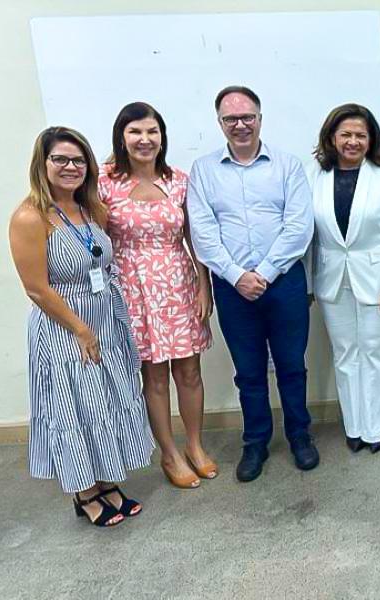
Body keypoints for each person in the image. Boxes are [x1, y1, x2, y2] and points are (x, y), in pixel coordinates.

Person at [9, 126, 153, 526]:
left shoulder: (91, 209)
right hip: (64, 328)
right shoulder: (30, 217)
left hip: (104, 320)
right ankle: (84, 492)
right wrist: (80, 328)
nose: (70, 167)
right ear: (42, 164)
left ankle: (107, 481)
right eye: (60, 159)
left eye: (78, 160)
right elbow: (36, 288)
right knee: (73, 407)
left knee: (103, 401)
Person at [187, 86, 318, 482]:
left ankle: (300, 435)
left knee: (292, 366)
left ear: (260, 119)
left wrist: (265, 271)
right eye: (231, 119)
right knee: (248, 371)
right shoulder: (204, 171)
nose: (240, 124)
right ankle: (256, 441)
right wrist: (237, 276)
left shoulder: (287, 166)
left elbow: (299, 226)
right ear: (219, 123)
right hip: (232, 288)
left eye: (247, 117)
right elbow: (202, 232)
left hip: (284, 282)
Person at [98, 102, 215, 489]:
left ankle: (195, 445)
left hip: (179, 284)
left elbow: (194, 239)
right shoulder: (104, 182)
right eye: (135, 132)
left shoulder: (178, 180)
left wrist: (204, 286)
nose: (144, 139)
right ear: (122, 137)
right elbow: (94, 237)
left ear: (162, 137)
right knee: (155, 376)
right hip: (132, 289)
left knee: (190, 371)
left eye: (152, 131)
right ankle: (169, 453)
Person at [308, 104, 380, 454]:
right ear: (332, 138)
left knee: (376, 351)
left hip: (378, 282)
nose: (353, 141)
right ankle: (354, 426)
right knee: (345, 353)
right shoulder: (314, 175)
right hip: (331, 280)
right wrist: (309, 284)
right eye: (346, 134)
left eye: (360, 135)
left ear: (371, 140)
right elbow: (307, 234)